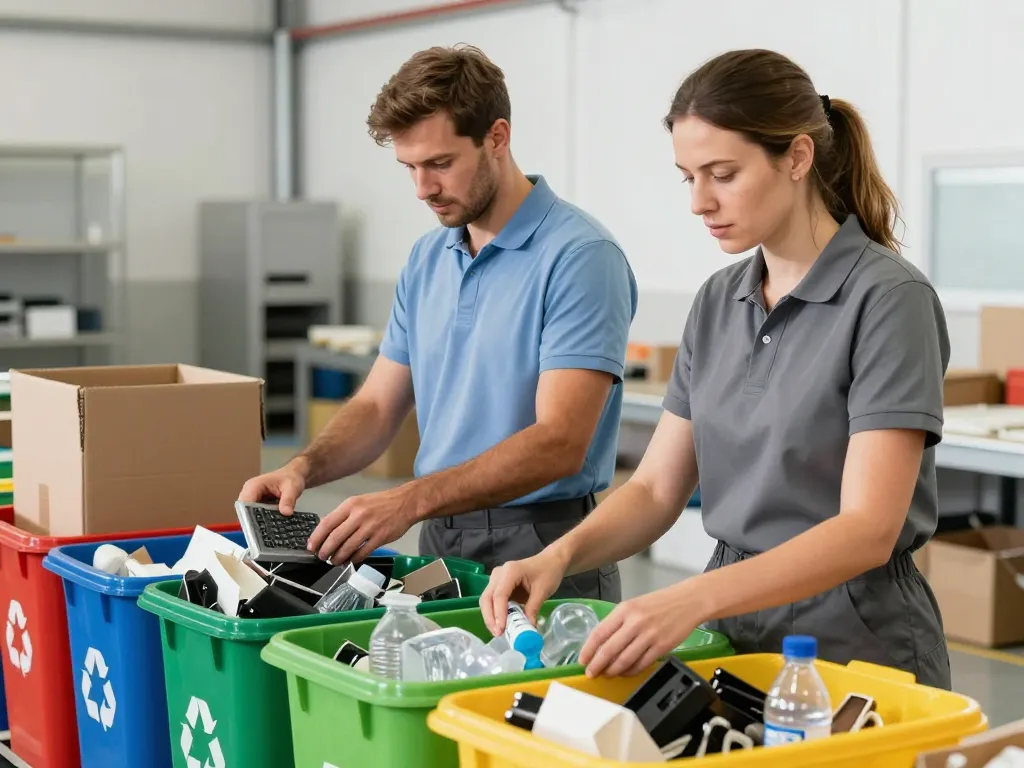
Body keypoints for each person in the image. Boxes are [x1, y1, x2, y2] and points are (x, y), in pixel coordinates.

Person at [481, 48, 953, 690]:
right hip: (731, 633)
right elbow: (655, 490)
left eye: (722, 173)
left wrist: (692, 598)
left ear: (797, 157)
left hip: (854, 638)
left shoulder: (888, 299)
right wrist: (557, 557)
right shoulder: (718, 300)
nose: (700, 202)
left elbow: (868, 529)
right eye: (688, 177)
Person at [239, 44, 637, 601]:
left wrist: (409, 499)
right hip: (441, 539)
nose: (423, 188)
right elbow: (379, 405)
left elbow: (559, 442)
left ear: (497, 138)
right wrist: (303, 468)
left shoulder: (579, 256)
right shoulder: (428, 258)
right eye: (410, 167)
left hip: (546, 546)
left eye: (440, 164)